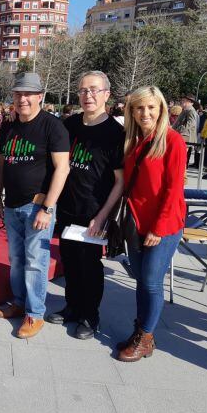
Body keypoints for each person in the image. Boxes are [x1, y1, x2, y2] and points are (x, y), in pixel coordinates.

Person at [46, 71, 124, 339]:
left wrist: (102, 216)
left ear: (106, 94)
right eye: (82, 90)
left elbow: (120, 182)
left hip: (94, 211)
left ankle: (90, 316)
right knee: (69, 260)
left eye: (93, 90)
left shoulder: (116, 133)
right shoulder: (69, 125)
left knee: (89, 265)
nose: (87, 95)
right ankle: (72, 306)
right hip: (67, 208)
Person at [0, 72, 70, 339]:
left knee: (37, 261)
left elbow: (62, 169)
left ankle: (35, 313)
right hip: (12, 205)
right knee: (16, 259)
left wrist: (48, 208)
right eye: (18, 94)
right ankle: (19, 301)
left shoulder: (52, 126)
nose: (22, 99)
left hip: (38, 206)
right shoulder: (8, 125)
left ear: (40, 96)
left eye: (28, 94)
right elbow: (1, 162)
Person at [116, 86, 186, 362]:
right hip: (136, 221)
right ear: (132, 111)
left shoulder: (172, 141)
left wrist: (159, 227)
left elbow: (173, 190)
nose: (145, 113)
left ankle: (145, 338)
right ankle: (140, 331)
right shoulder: (132, 141)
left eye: (151, 107)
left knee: (151, 282)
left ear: (161, 110)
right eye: (139, 108)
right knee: (141, 281)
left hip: (163, 224)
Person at [173, 94, 198, 166]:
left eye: (184, 101)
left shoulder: (191, 111)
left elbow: (191, 123)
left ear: (190, 102)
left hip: (186, 137)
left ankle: (183, 176)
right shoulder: (185, 110)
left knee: (183, 159)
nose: (182, 102)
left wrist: (178, 130)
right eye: (182, 100)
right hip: (182, 136)